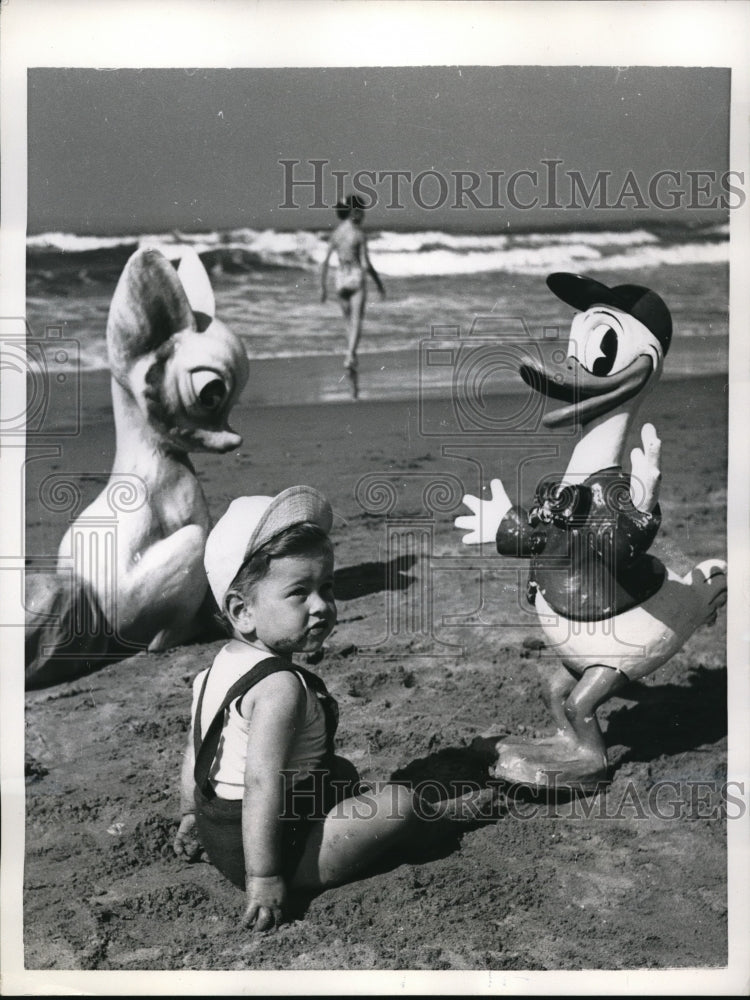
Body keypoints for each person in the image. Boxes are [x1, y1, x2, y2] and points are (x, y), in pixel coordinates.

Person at [174, 485, 494, 931]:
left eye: (327, 588)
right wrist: (264, 876)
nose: (322, 606)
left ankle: (279, 841)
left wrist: (191, 814)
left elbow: (196, 749)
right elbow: (262, 781)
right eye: (299, 593)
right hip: (277, 854)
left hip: (221, 829)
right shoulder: (279, 687)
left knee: (340, 772)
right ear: (242, 611)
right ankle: (439, 819)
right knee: (398, 804)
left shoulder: (214, 671)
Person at [320, 195, 385, 399]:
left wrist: (323, 287)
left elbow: (324, 262)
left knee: (347, 320)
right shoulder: (358, 234)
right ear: (355, 212)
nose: (364, 215)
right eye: (362, 211)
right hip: (356, 276)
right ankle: (350, 355)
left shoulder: (336, 234)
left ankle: (350, 354)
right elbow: (366, 264)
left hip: (340, 277)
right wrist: (379, 283)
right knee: (357, 320)